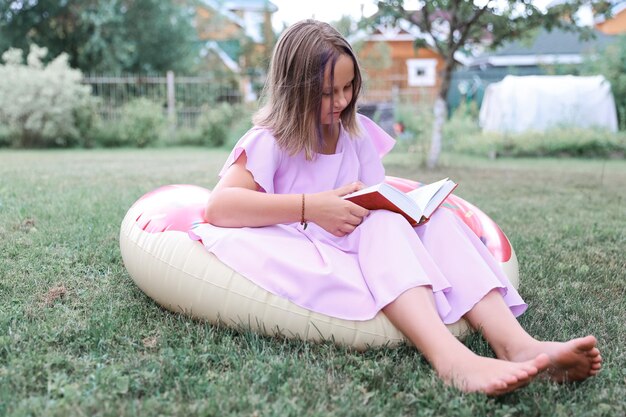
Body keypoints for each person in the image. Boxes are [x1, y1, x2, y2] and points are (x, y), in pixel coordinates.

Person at [192, 20, 601, 395]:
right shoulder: (271, 140)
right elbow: (221, 207)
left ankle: (517, 345)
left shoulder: (353, 135)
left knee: (436, 221)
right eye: (326, 92)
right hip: (308, 245)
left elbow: (374, 195)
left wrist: (410, 210)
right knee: (382, 226)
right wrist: (312, 208)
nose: (341, 101)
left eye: (348, 88)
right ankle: (452, 360)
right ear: (294, 91)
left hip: (360, 244)